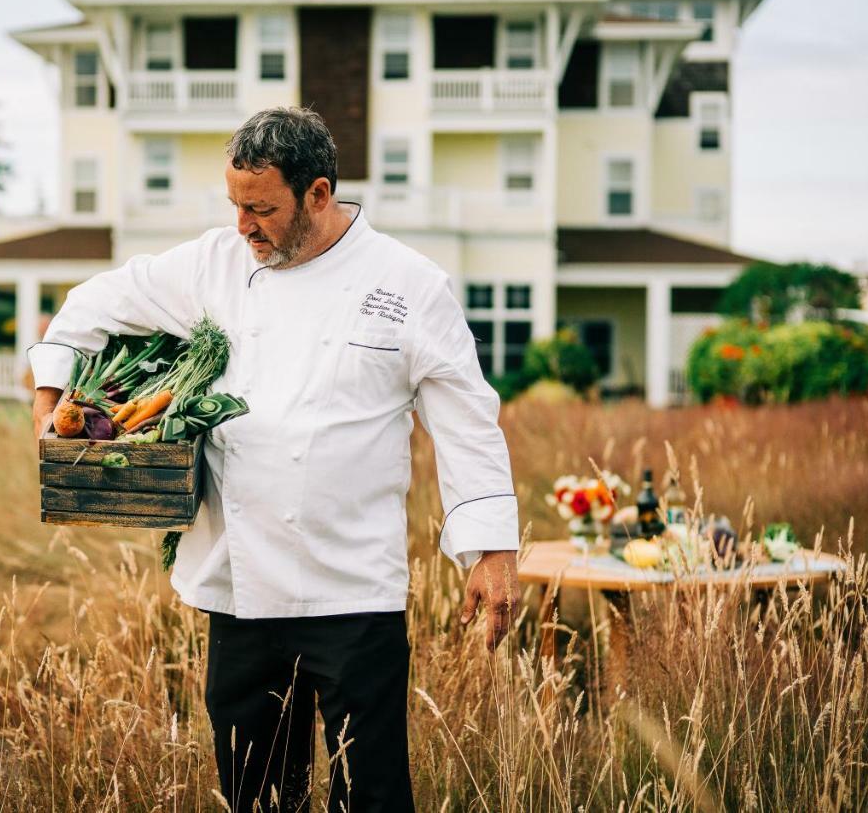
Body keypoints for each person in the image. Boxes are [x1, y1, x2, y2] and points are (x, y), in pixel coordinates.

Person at [29, 107, 520, 812]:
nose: (242, 227)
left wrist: (491, 547)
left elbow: (466, 419)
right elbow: (92, 304)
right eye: (234, 205)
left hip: (354, 590)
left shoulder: (409, 284)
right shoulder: (213, 264)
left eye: (261, 209)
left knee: (372, 796)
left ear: (318, 195)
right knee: (255, 797)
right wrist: (50, 401)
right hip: (240, 590)